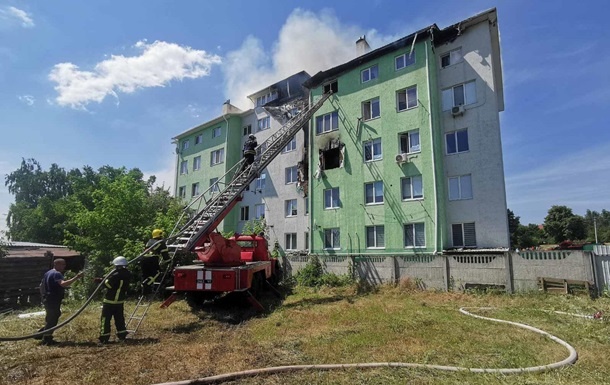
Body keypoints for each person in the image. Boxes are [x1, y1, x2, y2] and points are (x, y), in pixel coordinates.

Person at [38, 258, 83, 345]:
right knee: (52, 318)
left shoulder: (48, 272)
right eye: (63, 264)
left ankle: (42, 334)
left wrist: (43, 296)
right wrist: (76, 277)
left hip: (47, 298)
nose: (64, 266)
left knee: (52, 316)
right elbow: (63, 284)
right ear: (57, 264)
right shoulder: (57, 274)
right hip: (53, 299)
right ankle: (46, 338)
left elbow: (41, 285)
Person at [98, 256, 131, 344]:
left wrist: (101, 281)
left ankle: (104, 337)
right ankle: (122, 335)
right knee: (119, 319)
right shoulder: (128, 274)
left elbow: (108, 285)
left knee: (105, 319)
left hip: (109, 301)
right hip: (120, 301)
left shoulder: (115, 275)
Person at [141, 229, 170, 296]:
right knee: (157, 273)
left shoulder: (149, 241)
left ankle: (145, 292)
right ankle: (147, 284)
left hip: (143, 259)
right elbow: (165, 254)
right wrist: (169, 261)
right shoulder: (161, 242)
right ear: (160, 235)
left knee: (145, 275)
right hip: (152, 259)